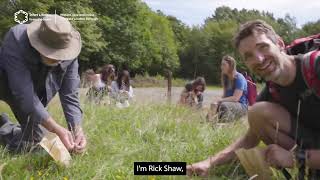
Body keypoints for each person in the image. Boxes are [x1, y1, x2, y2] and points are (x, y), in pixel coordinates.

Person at [187, 19, 320, 178]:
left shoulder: (315, 66)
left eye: (263, 47)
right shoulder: (272, 91)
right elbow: (249, 139)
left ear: (279, 44)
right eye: (249, 56)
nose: (258, 59)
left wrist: (293, 158)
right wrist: (209, 162)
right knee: (257, 113)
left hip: (305, 155)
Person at [0, 14, 86, 153]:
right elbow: (24, 94)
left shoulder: (70, 50)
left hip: (34, 89)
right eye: (51, 53)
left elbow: (70, 95)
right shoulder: (16, 38)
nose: (58, 59)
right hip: (5, 81)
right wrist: (55, 128)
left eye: (60, 54)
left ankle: (4, 128)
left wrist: (76, 129)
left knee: (36, 145)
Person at [207, 55, 248, 122]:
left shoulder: (239, 78)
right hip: (229, 104)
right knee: (215, 104)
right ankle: (209, 123)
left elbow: (235, 98)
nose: (221, 67)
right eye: (221, 65)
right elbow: (225, 96)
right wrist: (216, 102)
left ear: (230, 66)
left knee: (223, 105)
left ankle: (226, 124)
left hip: (241, 106)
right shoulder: (226, 78)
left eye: (224, 65)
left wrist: (220, 100)